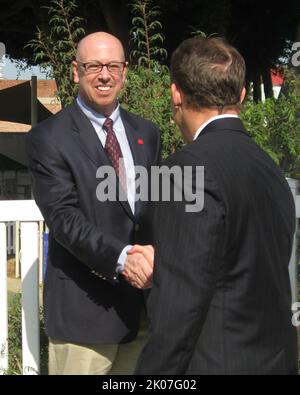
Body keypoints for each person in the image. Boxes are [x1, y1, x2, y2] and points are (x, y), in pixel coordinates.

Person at [133, 36, 298, 375]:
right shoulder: (269, 168)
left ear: (176, 94)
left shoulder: (183, 171)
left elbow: (178, 307)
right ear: (241, 95)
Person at [26, 32, 161, 375]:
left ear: (124, 71)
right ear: (75, 71)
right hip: (83, 320)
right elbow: (64, 219)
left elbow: (153, 210)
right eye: (94, 66)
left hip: (143, 315)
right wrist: (122, 260)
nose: (104, 75)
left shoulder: (147, 132)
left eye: (113, 65)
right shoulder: (48, 138)